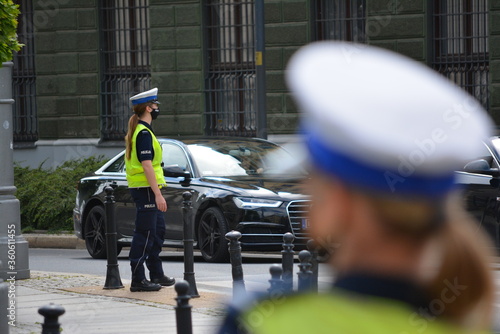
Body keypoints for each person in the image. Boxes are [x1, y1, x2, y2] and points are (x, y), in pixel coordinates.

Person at [217, 42, 496, 333]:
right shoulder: (475, 326)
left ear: (340, 201)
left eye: (313, 177)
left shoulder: (260, 322)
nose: (307, 189)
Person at [124, 87, 175, 292]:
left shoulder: (145, 130)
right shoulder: (143, 133)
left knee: (157, 231)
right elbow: (146, 165)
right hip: (145, 189)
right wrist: (158, 194)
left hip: (148, 189)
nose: (157, 109)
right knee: (144, 234)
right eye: (155, 106)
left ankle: (156, 273)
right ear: (148, 107)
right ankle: (138, 279)